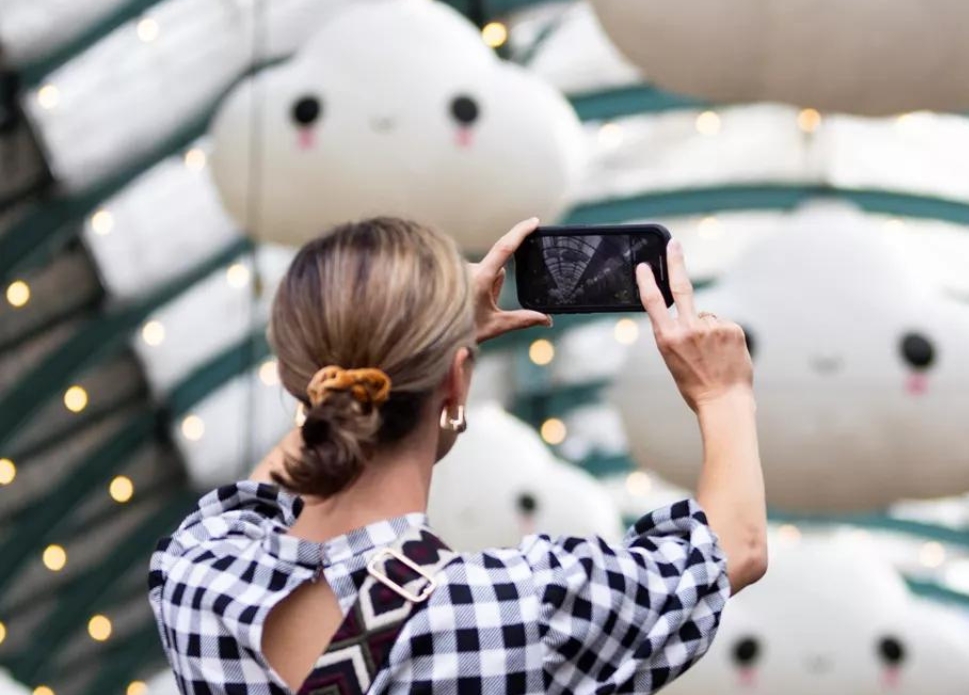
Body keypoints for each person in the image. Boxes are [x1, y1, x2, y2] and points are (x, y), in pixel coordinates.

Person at [148, 217, 767, 694]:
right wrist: (723, 392)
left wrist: (429, 343)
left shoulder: (199, 577)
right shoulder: (528, 612)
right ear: (456, 383)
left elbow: (269, 490)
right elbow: (731, 549)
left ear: (297, 381)